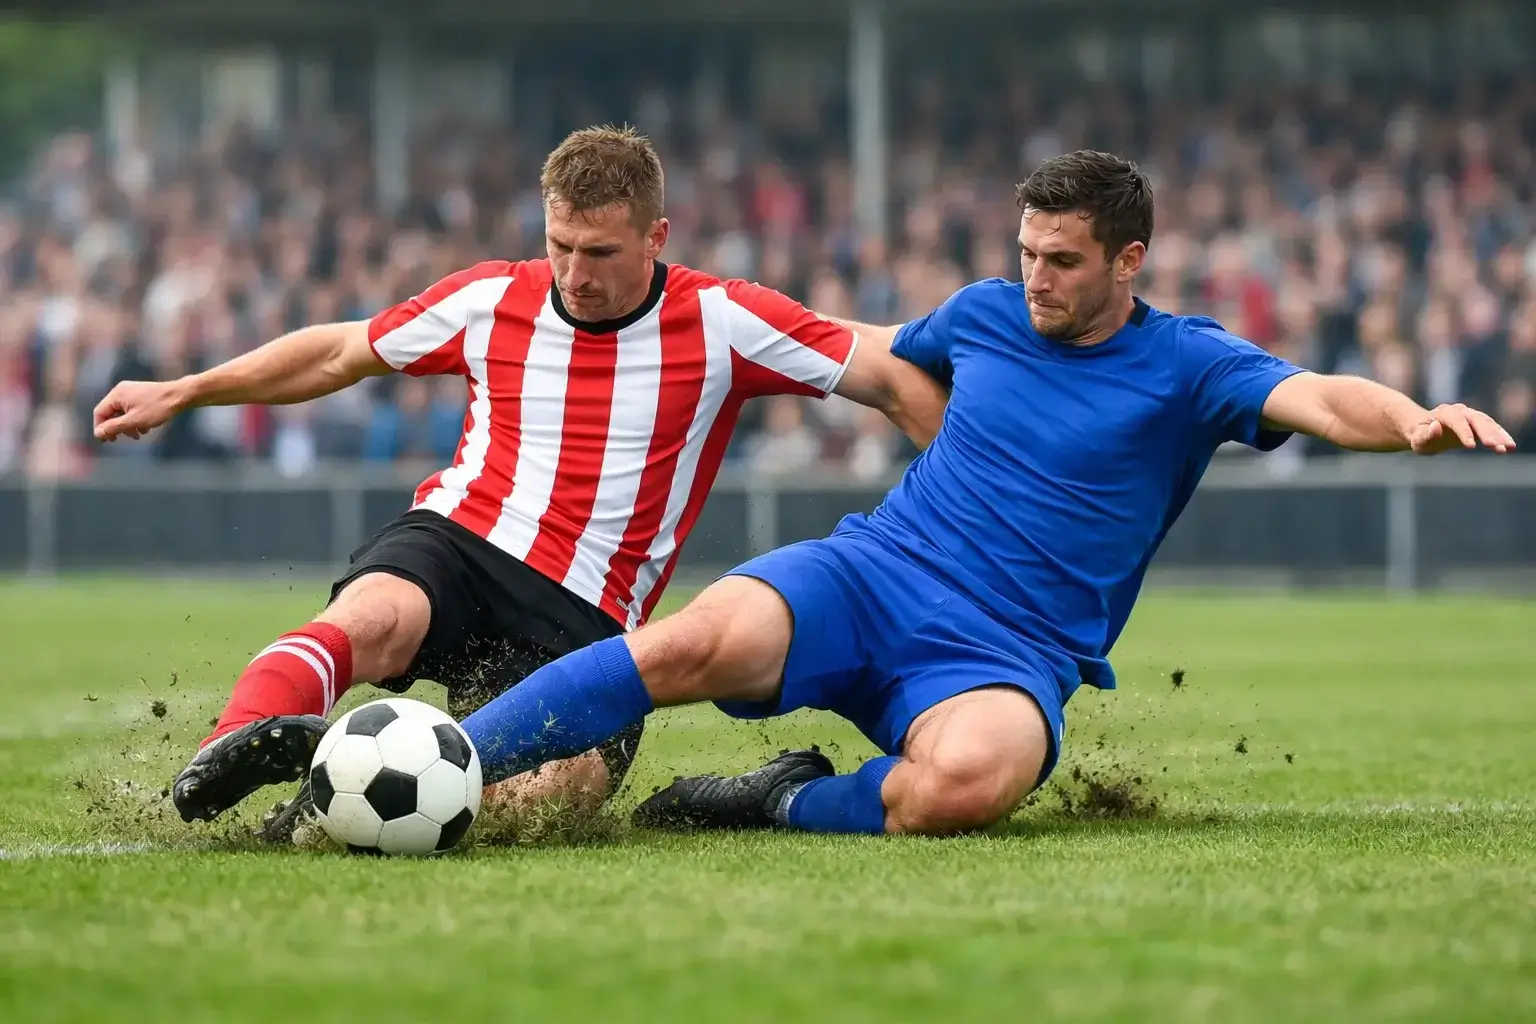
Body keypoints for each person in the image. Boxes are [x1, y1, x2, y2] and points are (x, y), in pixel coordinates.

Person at [450, 149, 1516, 837]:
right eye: (1025, 254)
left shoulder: (1191, 364)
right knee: (681, 646)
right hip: (871, 572)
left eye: (1060, 260)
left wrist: (1410, 417)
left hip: (1006, 652)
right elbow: (872, 352)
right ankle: (449, 763)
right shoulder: (982, 312)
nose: (1035, 278)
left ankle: (773, 795)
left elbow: (1320, 396)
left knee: (962, 787)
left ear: (1127, 260)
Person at [91, 125, 949, 838]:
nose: (575, 273)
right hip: (462, 539)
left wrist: (970, 499)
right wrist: (190, 388)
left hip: (585, 618)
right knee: (372, 617)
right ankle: (236, 743)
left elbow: (890, 372)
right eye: (560, 246)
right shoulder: (491, 298)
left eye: (601, 252)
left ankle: (325, 808)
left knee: (545, 802)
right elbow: (338, 350)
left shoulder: (725, 319)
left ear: (656, 237)